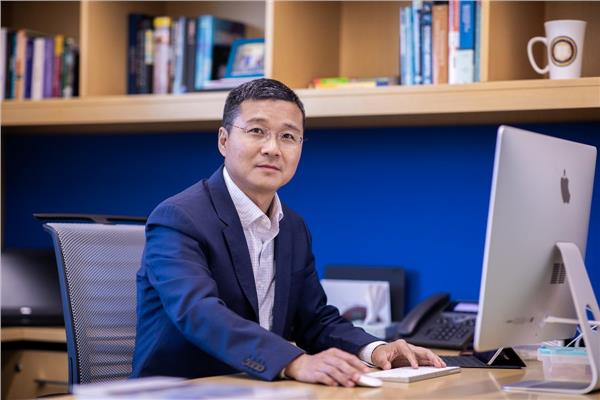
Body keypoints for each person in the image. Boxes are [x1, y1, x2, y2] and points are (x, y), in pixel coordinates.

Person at [131, 78, 445, 387]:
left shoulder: (292, 227)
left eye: (288, 137)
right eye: (257, 131)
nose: (273, 149)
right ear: (223, 141)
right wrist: (293, 361)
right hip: (182, 391)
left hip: (260, 389)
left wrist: (375, 349)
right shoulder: (179, 219)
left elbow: (314, 320)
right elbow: (199, 312)